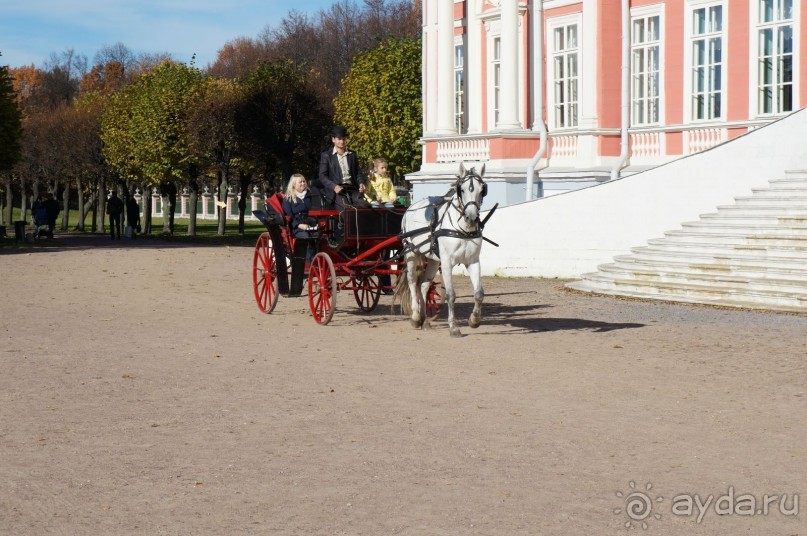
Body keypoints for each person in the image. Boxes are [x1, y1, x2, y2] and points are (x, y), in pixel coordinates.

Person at [318, 125, 369, 210]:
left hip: (352, 189)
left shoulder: (352, 155)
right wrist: (334, 186)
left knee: (364, 205)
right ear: (333, 139)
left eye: (344, 139)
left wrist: (361, 183)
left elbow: (357, 172)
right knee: (346, 209)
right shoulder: (326, 155)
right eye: (339, 139)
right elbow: (322, 176)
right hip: (337, 192)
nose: (342, 141)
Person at [281, 174, 316, 262]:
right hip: (296, 227)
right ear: (293, 184)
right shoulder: (288, 199)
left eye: (304, 181)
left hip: (312, 223)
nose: (303, 183)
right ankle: (310, 264)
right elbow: (289, 216)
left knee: (322, 237)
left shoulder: (311, 196)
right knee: (305, 237)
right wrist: (299, 225)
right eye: (300, 182)